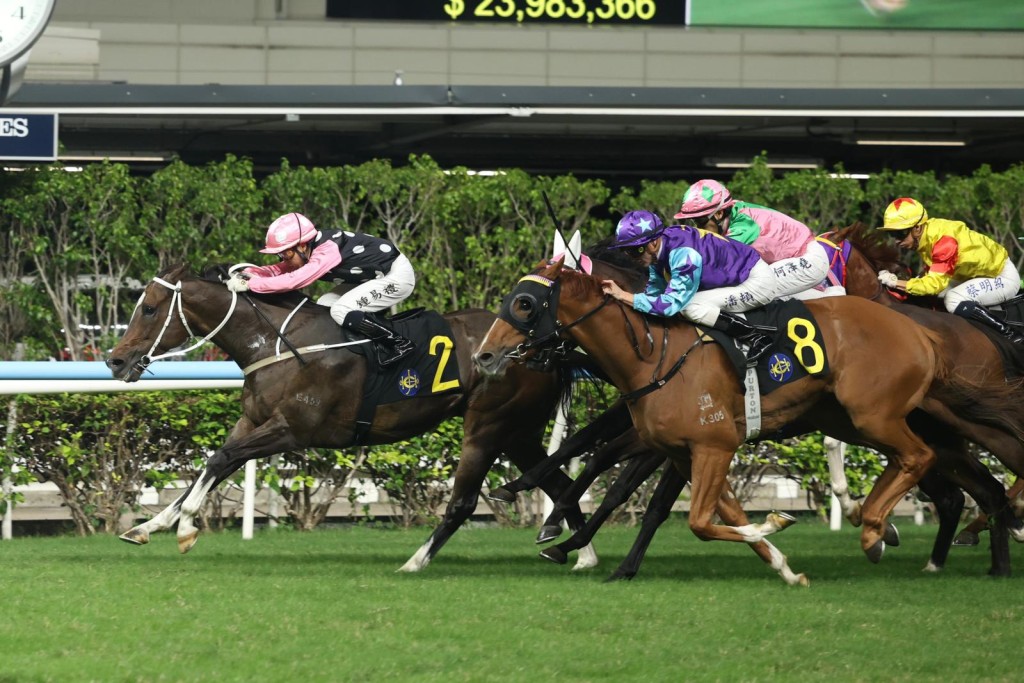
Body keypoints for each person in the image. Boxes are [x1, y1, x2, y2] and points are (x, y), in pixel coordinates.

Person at [227, 212, 416, 366]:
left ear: (302, 246)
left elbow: (294, 280)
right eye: (281, 254)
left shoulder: (327, 250)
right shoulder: (309, 249)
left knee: (341, 310)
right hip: (371, 276)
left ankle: (399, 343)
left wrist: (252, 284)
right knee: (323, 306)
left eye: (287, 253)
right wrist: (249, 273)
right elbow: (279, 270)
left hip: (396, 276)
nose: (284, 259)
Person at [599, 209, 777, 364]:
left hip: (756, 282)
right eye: (626, 251)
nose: (631, 256)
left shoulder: (683, 254)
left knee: (690, 307)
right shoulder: (659, 248)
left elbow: (671, 305)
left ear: (653, 243)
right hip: (738, 275)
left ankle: (756, 338)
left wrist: (624, 296)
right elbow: (654, 292)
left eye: (635, 250)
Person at [876, 196, 1024, 343]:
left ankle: (1011, 335)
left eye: (900, 234)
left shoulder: (944, 242)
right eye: (892, 234)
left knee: (953, 299)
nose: (897, 241)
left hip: (1001, 277)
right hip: (971, 275)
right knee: (933, 293)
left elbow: (933, 285)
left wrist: (895, 282)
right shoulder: (926, 235)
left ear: (917, 228)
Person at [673, 179, 840, 300]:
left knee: (750, 290)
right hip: (794, 259)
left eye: (700, 221)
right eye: (693, 222)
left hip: (807, 259)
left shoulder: (743, 227)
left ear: (719, 213)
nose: (698, 228)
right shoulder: (729, 215)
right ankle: (832, 298)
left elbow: (714, 265)